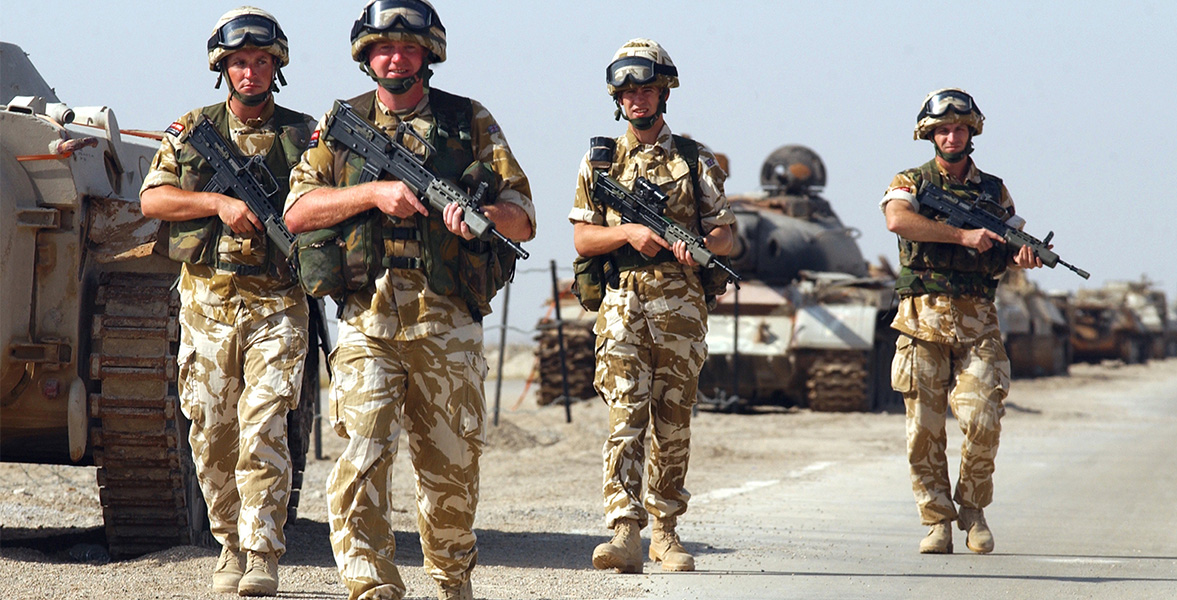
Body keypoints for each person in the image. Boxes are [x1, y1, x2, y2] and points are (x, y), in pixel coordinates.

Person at [283, 2, 534, 599]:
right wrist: (373, 193)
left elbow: (522, 218)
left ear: (429, 56)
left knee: (450, 470)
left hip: (445, 322)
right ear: (366, 57)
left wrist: (480, 220)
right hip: (367, 321)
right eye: (383, 49)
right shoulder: (341, 124)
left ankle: (451, 580)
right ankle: (370, 586)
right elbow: (297, 212)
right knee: (363, 457)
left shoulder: (469, 120)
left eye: (408, 48)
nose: (395, 58)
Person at [139, 6, 314, 596]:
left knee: (263, 425)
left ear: (276, 67)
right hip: (208, 306)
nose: (250, 72)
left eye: (261, 61)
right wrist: (216, 205)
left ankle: (262, 551)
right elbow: (154, 201)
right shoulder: (192, 128)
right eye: (240, 62)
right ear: (223, 67)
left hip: (278, 307)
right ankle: (230, 545)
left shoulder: (303, 135)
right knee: (212, 433)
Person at [570, 38, 736, 574]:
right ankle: (624, 532)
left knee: (673, 418)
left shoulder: (694, 159)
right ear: (617, 99)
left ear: (665, 92)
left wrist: (698, 244)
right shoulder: (600, 159)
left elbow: (727, 236)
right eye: (628, 92)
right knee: (624, 416)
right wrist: (632, 232)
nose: (637, 100)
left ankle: (665, 531)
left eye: (647, 89)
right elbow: (582, 240)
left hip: (680, 302)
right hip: (621, 302)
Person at [881, 88, 1044, 555]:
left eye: (959, 129)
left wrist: (1022, 257)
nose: (952, 136)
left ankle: (972, 509)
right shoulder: (909, 180)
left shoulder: (994, 190)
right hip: (920, 323)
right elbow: (897, 221)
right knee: (923, 433)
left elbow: (1008, 244)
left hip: (977, 323)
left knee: (984, 420)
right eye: (942, 130)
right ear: (929, 135)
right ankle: (937, 522)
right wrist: (962, 235)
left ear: (972, 133)